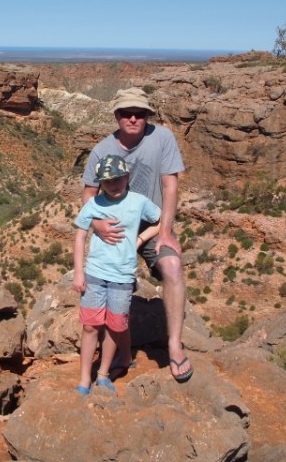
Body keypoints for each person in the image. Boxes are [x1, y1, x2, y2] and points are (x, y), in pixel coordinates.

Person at [81, 87, 193, 383]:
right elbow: (88, 194)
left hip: (153, 227)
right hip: (114, 230)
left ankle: (174, 347)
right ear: (116, 115)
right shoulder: (102, 150)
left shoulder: (162, 138)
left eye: (140, 113)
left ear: (147, 115)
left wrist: (166, 231)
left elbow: (170, 186)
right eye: (126, 113)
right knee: (118, 291)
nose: (133, 118)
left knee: (172, 266)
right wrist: (97, 226)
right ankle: (125, 354)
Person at [73, 153, 162, 395]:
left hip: (122, 277)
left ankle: (102, 375)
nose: (113, 184)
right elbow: (80, 236)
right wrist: (78, 272)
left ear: (127, 176)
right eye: (108, 180)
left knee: (114, 327)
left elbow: (160, 220)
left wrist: (140, 239)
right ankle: (84, 380)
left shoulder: (138, 201)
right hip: (95, 274)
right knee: (90, 327)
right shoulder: (94, 204)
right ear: (101, 182)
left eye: (118, 179)